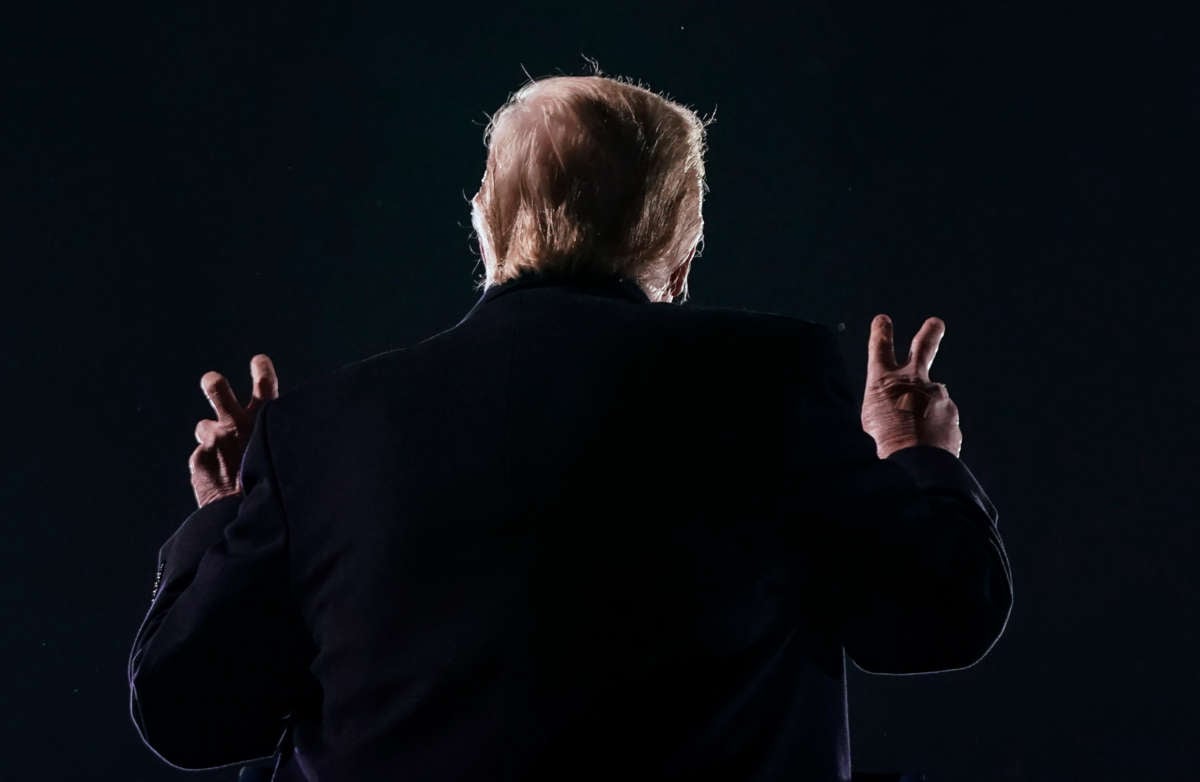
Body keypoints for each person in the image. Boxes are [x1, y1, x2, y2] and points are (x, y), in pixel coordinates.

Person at [128, 73, 1012, 782]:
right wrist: (913, 454)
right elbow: (937, 620)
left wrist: (227, 518)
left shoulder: (315, 436)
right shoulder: (776, 384)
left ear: (483, 218)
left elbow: (190, 713)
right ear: (684, 241)